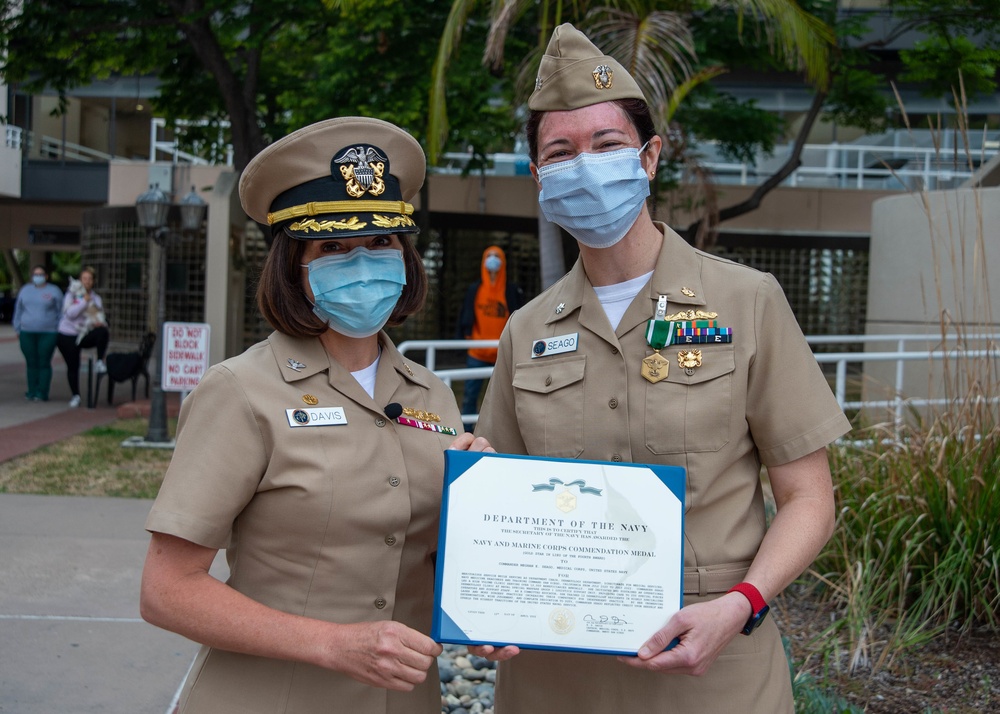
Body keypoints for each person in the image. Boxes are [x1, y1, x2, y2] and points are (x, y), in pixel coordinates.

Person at [469, 24, 852, 713]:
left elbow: (810, 498)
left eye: (607, 144)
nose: (585, 165)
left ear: (650, 157)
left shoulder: (746, 301)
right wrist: (484, 600)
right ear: (537, 177)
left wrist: (742, 605)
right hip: (555, 682)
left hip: (713, 674)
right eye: (561, 152)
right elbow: (501, 496)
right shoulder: (526, 332)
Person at [139, 116, 493, 714]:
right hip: (271, 698)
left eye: (381, 242)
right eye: (333, 247)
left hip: (403, 701)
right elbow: (166, 592)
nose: (363, 262)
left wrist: (482, 528)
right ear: (294, 267)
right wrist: (334, 644)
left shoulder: (430, 395)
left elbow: (419, 560)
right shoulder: (241, 391)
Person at [455, 245, 523, 425]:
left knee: (504, 400)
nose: (493, 259)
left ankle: (500, 436)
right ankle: (467, 432)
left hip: (502, 354)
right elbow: (465, 315)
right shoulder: (475, 289)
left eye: (496, 256)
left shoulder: (511, 290)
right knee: (470, 396)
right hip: (477, 353)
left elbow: (520, 317)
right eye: (489, 256)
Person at [56, 266, 110, 408]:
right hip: (67, 335)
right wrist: (84, 302)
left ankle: (99, 361)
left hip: (84, 333)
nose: (86, 281)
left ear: (93, 281)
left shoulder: (96, 298)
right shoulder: (71, 295)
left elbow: (98, 315)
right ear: (79, 281)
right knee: (73, 366)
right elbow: (70, 314)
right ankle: (76, 395)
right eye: (84, 279)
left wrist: (98, 322)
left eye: (89, 279)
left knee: (103, 332)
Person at [12, 265, 63, 401]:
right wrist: (17, 328)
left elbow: (61, 312)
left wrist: (58, 329)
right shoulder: (25, 290)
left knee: (44, 362)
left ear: (46, 276)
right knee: (31, 362)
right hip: (27, 332)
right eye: (35, 274)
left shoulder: (54, 291)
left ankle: (42, 392)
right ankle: (31, 391)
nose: (38, 277)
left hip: (48, 332)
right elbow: (18, 310)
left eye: (41, 274)